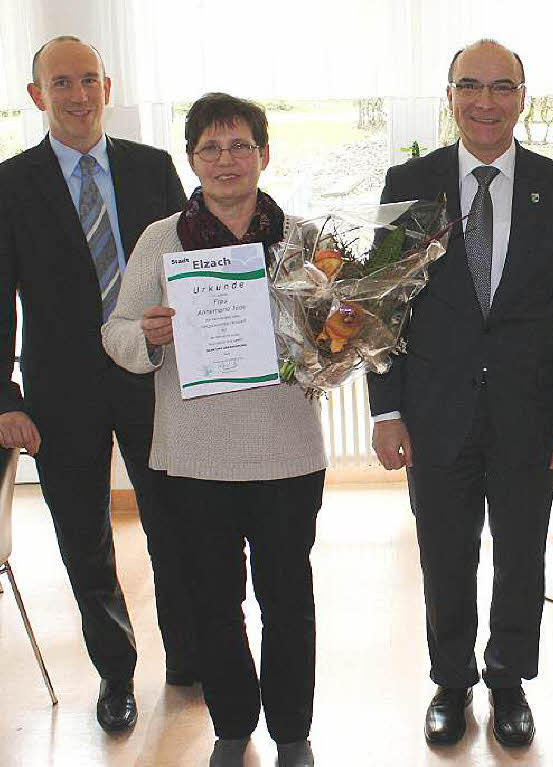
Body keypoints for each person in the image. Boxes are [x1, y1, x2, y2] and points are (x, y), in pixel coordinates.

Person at [368, 39, 553, 748]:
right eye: (470, 86)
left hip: (530, 417)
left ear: (523, 97)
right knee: (445, 553)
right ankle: (451, 681)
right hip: (433, 412)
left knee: (522, 552)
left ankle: (508, 680)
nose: (485, 101)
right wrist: (385, 409)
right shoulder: (413, 184)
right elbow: (383, 305)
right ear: (449, 96)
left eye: (502, 87)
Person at [102, 92, 326, 767]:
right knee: (213, 600)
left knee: (288, 598)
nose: (226, 160)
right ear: (192, 158)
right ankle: (232, 726)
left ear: (264, 153)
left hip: (286, 452)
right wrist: (147, 334)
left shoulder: (305, 240)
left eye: (240, 146)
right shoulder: (161, 239)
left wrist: (330, 342)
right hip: (194, 457)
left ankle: (292, 732)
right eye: (211, 148)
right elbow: (114, 331)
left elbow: (340, 342)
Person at [0, 35, 195, 732]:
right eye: (61, 84)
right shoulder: (10, 184)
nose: (78, 96)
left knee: (173, 521)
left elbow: (189, 267)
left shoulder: (153, 168)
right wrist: (5, 398)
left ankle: (189, 653)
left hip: (153, 378)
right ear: (36, 96)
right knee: (84, 535)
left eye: (88, 80)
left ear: (108, 87)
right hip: (60, 392)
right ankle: (116, 671)